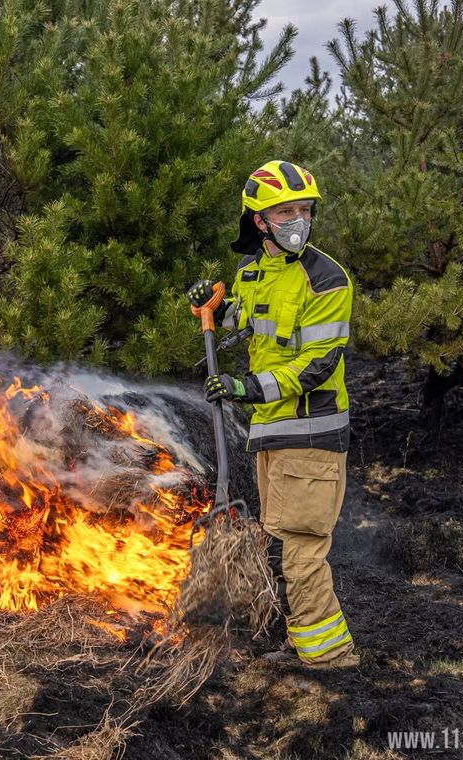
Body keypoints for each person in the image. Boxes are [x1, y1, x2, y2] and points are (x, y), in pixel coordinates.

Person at [187, 159, 357, 668]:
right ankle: (302, 643)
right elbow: (242, 318)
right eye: (286, 211)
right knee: (279, 546)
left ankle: (329, 659)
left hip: (311, 432)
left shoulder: (327, 278)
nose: (298, 220)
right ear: (259, 220)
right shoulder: (254, 271)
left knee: (298, 550)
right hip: (272, 434)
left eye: (305, 210)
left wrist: (246, 387)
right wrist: (213, 307)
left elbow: (318, 365)